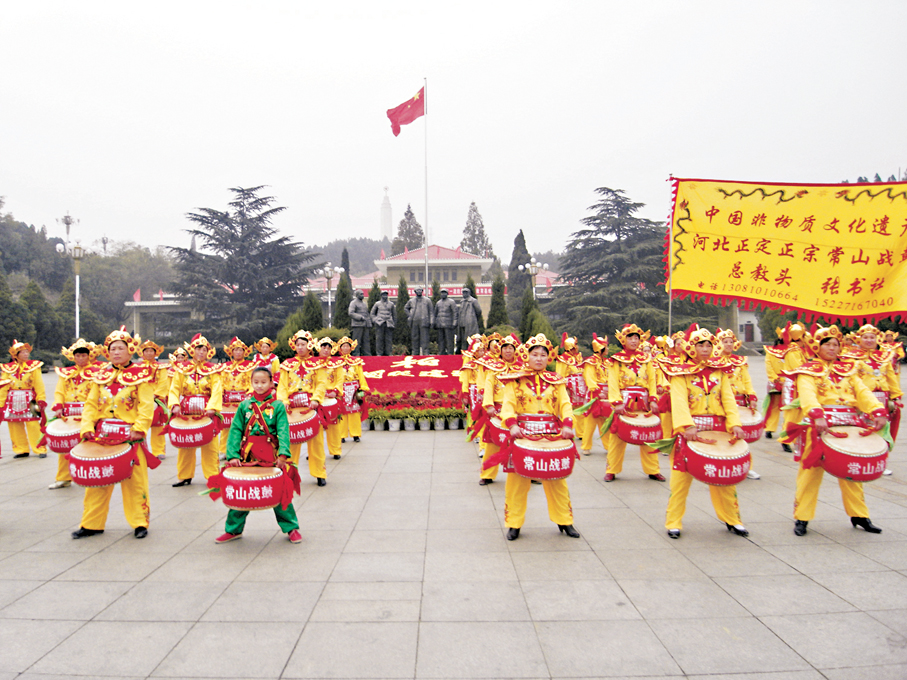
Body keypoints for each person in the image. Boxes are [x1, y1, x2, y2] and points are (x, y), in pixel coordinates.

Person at [781, 325, 888, 536]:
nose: (832, 348)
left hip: (849, 425)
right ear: (816, 347)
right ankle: (802, 517)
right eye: (827, 344)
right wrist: (817, 414)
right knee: (810, 473)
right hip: (820, 427)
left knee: (851, 471)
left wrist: (877, 410)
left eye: (835, 344)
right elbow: (807, 394)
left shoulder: (848, 370)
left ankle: (860, 515)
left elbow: (863, 392)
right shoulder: (808, 370)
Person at [71, 328, 158, 539]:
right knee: (98, 481)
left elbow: (146, 406)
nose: (116, 352)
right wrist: (87, 428)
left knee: (135, 482)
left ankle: (139, 522)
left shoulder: (142, 375)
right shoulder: (100, 376)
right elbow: (91, 405)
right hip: (102, 437)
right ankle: (91, 524)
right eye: (112, 349)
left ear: (130, 351)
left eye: (120, 348)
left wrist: (139, 429)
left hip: (129, 436)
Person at [664, 324, 748, 539]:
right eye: (700, 344)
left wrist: (735, 423)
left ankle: (733, 519)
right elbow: (679, 400)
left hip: (718, 429)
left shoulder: (720, 371)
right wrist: (686, 425)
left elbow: (728, 399)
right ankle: (674, 522)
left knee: (723, 479)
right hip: (690, 431)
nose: (705, 348)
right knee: (680, 480)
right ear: (691, 347)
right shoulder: (679, 372)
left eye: (708, 344)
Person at [497, 334, 579, 540]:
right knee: (516, 482)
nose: (539, 358)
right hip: (523, 435)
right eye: (535, 354)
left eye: (543, 355)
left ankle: (565, 520)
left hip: (551, 434)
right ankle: (514, 523)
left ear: (548, 358)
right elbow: (508, 406)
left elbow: (566, 405)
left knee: (557, 480)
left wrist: (568, 424)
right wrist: (512, 424)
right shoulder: (514, 380)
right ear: (526, 356)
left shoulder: (556, 381)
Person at [214, 367, 303, 544]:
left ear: (271, 383)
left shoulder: (277, 406)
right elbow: (236, 430)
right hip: (248, 455)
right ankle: (233, 530)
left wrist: (283, 455)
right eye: (256, 382)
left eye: (263, 382)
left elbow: (283, 431)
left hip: (270, 454)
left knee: (280, 491)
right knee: (241, 490)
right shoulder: (244, 405)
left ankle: (291, 528)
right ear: (251, 383)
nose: (260, 385)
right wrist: (232, 455)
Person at [605, 324, 664, 482]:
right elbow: (612, 382)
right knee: (617, 436)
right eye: (630, 337)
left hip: (644, 403)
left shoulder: (647, 359)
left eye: (636, 338)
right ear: (623, 340)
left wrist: (653, 399)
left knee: (649, 435)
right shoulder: (616, 360)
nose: (633, 340)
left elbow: (652, 380)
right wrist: (616, 402)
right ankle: (612, 469)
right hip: (624, 401)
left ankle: (653, 470)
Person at [841, 324, 901, 476]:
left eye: (872, 337)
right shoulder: (851, 357)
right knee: (862, 430)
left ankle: (880, 462)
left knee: (882, 429)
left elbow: (891, 378)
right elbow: (848, 380)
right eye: (865, 337)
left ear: (877, 339)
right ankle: (859, 461)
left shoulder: (884, 356)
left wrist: (895, 397)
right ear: (859, 339)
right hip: (862, 399)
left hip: (882, 398)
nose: (869, 340)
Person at [168, 333, 223, 486]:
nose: (201, 352)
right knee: (186, 444)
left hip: (206, 413)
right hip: (186, 413)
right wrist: (175, 404)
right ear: (192, 350)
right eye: (198, 348)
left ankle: (212, 476)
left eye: (204, 349)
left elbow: (217, 390)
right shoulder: (181, 369)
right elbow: (174, 389)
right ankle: (184, 475)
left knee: (210, 446)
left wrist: (212, 408)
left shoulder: (213, 370)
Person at [48, 339, 98, 488]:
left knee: (89, 445)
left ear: (89, 356)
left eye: (84, 355)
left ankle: (89, 474)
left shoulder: (97, 373)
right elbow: (59, 392)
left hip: (88, 412)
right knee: (65, 445)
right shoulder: (65, 373)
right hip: (68, 412)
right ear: (73, 357)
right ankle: (63, 478)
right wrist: (58, 407)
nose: (81, 358)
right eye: (78, 356)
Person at [278, 331, 326, 484]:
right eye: (298, 344)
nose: (300, 347)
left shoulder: (317, 364)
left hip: (310, 406)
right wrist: (283, 400)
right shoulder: (287, 364)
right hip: (292, 408)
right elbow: (282, 386)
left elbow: (321, 383)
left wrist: (316, 399)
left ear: (309, 345)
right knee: (291, 442)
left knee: (316, 442)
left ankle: (320, 473)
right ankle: (289, 474)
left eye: (303, 344)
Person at [715, 328, 762, 480]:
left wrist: (752, 396)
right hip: (722, 404)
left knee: (742, 436)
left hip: (740, 402)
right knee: (723, 436)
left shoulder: (740, 361)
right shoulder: (714, 362)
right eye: (725, 342)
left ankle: (747, 467)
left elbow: (747, 381)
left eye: (731, 342)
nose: (728, 345)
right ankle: (722, 464)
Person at [479, 333, 524, 485]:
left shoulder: (522, 369)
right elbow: (489, 387)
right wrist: (489, 405)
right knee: (492, 442)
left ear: (515, 350)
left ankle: (527, 472)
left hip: (516, 411)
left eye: (511, 348)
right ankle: (487, 474)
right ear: (501, 350)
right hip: (497, 409)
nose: (508, 351)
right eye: (505, 348)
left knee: (521, 443)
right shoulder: (494, 369)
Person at [1, 340, 47, 458]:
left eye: (27, 352)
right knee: (14, 425)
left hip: (30, 397)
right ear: (15, 355)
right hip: (13, 399)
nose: (26, 354)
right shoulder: (7, 368)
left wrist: (41, 399)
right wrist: (1, 403)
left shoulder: (34, 366)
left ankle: (40, 448)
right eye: (23, 352)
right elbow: (4, 386)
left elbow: (38, 383)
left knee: (33, 424)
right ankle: (21, 449)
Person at [219, 337, 255, 456]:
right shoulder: (225, 367)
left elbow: (253, 382)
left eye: (240, 350)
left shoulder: (250, 366)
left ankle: (245, 449)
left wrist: (249, 395)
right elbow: (221, 382)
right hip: (227, 401)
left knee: (245, 426)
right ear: (231, 352)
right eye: (235, 350)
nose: (238, 352)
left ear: (245, 352)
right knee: (226, 427)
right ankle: (224, 450)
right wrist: (221, 393)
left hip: (243, 401)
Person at [137, 339, 169, 462]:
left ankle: (159, 450)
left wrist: (155, 396)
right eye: (147, 351)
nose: (149, 353)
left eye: (152, 351)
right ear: (142, 353)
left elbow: (163, 383)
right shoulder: (137, 367)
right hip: (141, 400)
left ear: (156, 353)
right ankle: (142, 448)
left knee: (158, 426)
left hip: (156, 400)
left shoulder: (161, 367)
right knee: (141, 424)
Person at [580, 333, 611, 455]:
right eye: (606, 347)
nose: (607, 349)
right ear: (599, 348)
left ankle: (608, 446)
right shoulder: (591, 362)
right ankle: (586, 446)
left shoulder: (607, 362)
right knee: (590, 422)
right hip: (595, 394)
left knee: (604, 421)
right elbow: (590, 378)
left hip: (606, 394)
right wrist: (598, 391)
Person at [316, 337, 346, 460]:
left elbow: (340, 378)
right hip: (317, 398)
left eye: (329, 348)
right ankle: (314, 452)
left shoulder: (336, 364)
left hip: (331, 397)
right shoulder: (312, 364)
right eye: (324, 347)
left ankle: (335, 450)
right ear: (319, 348)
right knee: (315, 428)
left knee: (334, 425)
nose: (326, 350)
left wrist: (335, 391)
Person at [337, 337, 370, 443]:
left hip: (354, 389)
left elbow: (361, 375)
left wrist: (363, 388)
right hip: (342, 389)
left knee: (355, 412)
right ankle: (342, 435)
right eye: (343, 346)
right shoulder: (336, 363)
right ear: (340, 348)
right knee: (342, 412)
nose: (345, 348)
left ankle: (355, 434)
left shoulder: (356, 361)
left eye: (347, 346)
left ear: (351, 348)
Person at [555, 334, 586, 441]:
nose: (576, 347)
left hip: (579, 386)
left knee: (580, 409)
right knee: (566, 408)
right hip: (568, 386)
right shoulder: (563, 359)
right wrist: (562, 387)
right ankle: (565, 429)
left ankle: (581, 433)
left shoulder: (578, 357)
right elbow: (559, 374)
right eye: (574, 345)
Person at [763, 328, 786, 440]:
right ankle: (769, 428)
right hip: (776, 381)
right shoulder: (771, 351)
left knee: (789, 408)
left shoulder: (792, 351)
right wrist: (775, 379)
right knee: (774, 405)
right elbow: (769, 365)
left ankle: (786, 430)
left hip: (789, 381)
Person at [404, 287, 434, 355]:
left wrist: (431, 320)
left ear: (422, 291)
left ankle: (425, 351)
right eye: (417, 290)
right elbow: (406, 308)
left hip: (424, 321)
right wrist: (410, 315)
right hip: (414, 321)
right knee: (415, 337)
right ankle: (415, 351)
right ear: (415, 292)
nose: (419, 291)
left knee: (425, 338)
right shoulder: (411, 301)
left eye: (420, 290)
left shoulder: (427, 300)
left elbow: (431, 312)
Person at [370, 290, 396, 356]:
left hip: (388, 323)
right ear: (381, 296)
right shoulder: (377, 304)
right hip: (379, 324)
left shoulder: (391, 304)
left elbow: (394, 315)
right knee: (379, 339)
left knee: (388, 339)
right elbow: (372, 314)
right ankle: (379, 353)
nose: (385, 296)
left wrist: (393, 323)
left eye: (386, 295)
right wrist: (375, 320)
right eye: (383, 295)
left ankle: (389, 352)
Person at [433, 289, 458, 355]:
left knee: (449, 340)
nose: (443, 294)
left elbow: (455, 312)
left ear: (447, 294)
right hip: (440, 324)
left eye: (444, 293)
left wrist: (454, 322)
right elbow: (435, 314)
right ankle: (441, 351)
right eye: (442, 293)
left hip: (448, 324)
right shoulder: (438, 303)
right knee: (441, 340)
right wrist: (434, 323)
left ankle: (450, 352)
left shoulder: (451, 302)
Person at [457, 288, 483, 353]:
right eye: (463, 292)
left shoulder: (473, 301)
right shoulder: (462, 301)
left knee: (470, 338)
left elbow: (478, 311)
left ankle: (471, 351)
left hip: (470, 323)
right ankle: (463, 351)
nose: (464, 294)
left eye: (466, 292)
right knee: (463, 338)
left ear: (469, 293)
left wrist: (472, 317)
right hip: (462, 322)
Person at [348, 290, 373, 356]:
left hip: (365, 325)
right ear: (357, 295)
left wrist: (369, 323)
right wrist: (360, 317)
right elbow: (351, 313)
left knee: (366, 340)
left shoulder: (364, 304)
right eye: (361, 294)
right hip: (357, 324)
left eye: (363, 294)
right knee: (356, 340)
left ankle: (367, 354)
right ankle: (355, 354)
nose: (362, 295)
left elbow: (367, 314)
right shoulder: (353, 303)